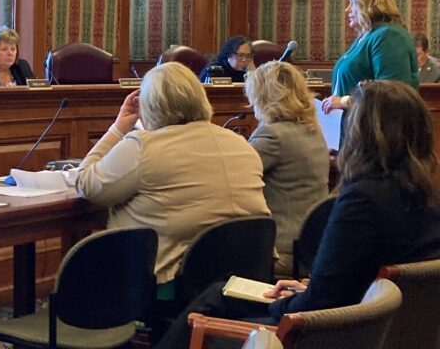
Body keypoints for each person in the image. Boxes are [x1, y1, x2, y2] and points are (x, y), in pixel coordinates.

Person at [156, 80, 440, 349]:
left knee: (215, 300)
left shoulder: (362, 200)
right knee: (222, 293)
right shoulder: (428, 197)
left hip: (324, 334)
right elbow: (355, 281)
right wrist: (307, 288)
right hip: (379, 329)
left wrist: (284, 302)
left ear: (361, 132)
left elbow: (318, 306)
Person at [76, 62, 269, 290]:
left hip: (172, 283)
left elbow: (86, 184)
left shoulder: (144, 147)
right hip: (248, 277)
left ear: (149, 106)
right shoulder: (241, 144)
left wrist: (117, 128)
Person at [244, 61, 329, 276]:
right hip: (313, 246)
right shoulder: (313, 130)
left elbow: (233, 175)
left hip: (283, 253)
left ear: (263, 96)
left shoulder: (273, 135)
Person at [321, 0, 418, 115]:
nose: (347, 9)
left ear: (369, 5)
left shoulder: (389, 36)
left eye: (353, 2)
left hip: (377, 126)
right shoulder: (365, 37)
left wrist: (345, 101)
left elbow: (393, 94)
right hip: (355, 124)